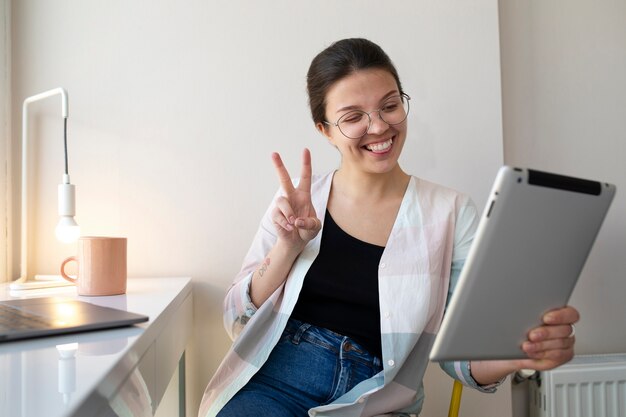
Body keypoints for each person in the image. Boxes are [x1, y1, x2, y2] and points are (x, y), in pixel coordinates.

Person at [199, 38, 579, 417]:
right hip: (277, 383)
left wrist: (519, 354)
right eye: (352, 117)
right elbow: (238, 320)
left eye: (390, 106)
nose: (379, 126)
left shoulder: (451, 213)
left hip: (377, 400)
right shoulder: (299, 203)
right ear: (325, 130)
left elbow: (461, 358)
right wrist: (286, 249)